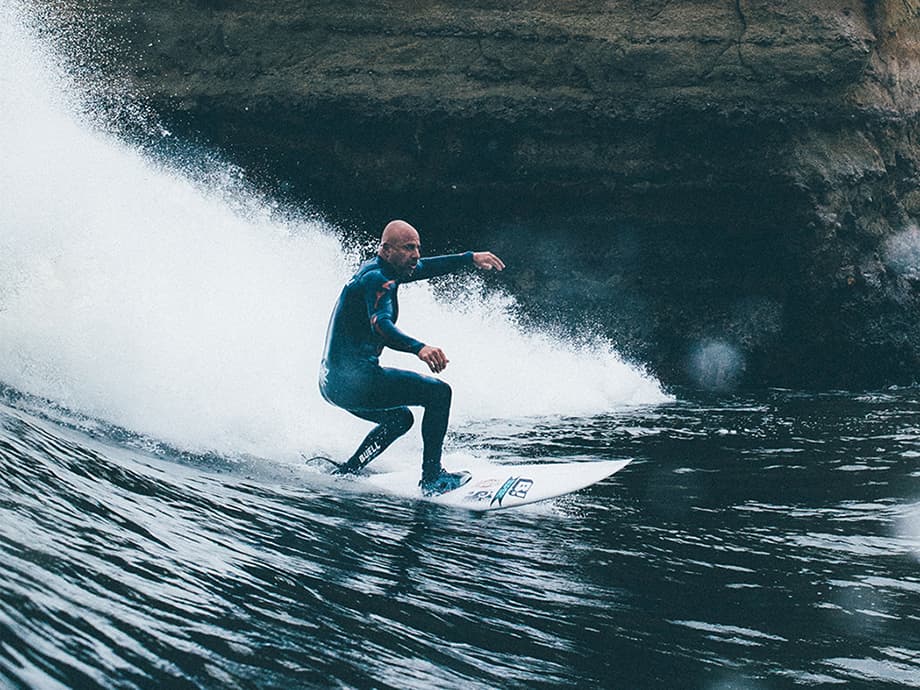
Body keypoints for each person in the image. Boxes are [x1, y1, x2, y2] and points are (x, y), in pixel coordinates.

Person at [319, 219, 505, 496]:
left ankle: (351, 469)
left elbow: (426, 267)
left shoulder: (378, 268)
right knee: (439, 393)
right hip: (355, 382)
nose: (416, 254)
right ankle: (432, 479)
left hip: (331, 384)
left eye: (417, 247)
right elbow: (381, 324)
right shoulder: (378, 280)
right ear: (386, 249)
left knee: (400, 419)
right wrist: (419, 348)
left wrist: (470, 258)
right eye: (408, 248)